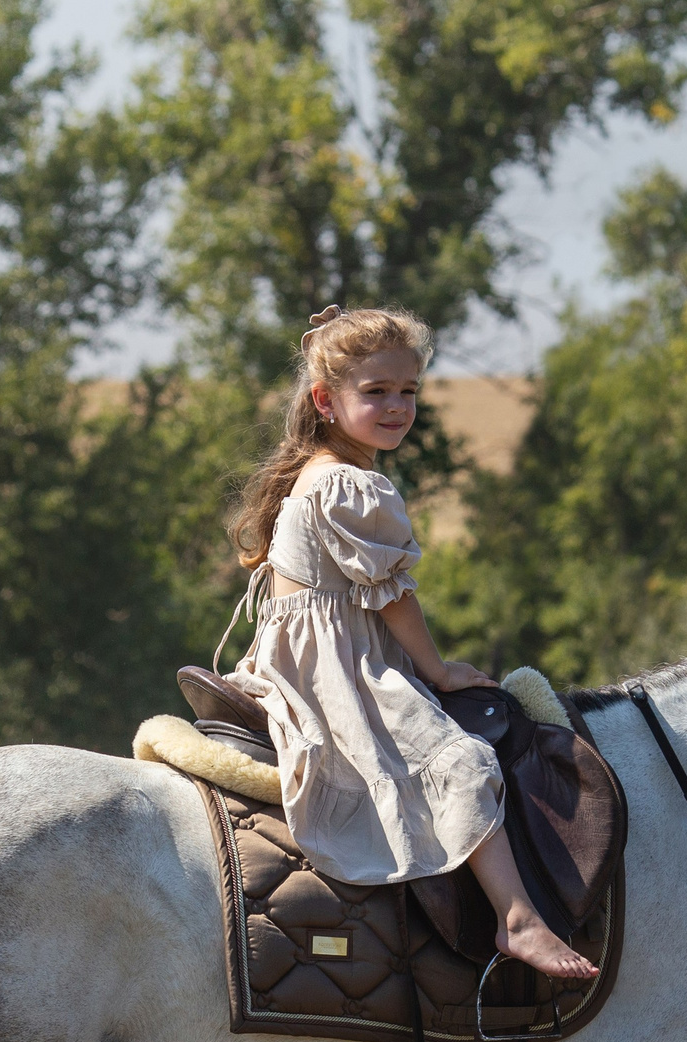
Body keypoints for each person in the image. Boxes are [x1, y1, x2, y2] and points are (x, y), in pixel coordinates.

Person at [218, 305, 596, 980]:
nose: (397, 407)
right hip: (339, 673)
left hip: (306, 658)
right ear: (326, 401)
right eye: (377, 392)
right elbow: (393, 599)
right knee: (461, 763)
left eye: (408, 392)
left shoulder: (315, 472)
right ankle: (517, 919)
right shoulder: (349, 483)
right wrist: (439, 672)